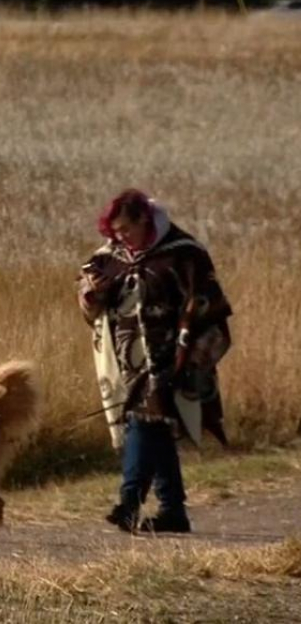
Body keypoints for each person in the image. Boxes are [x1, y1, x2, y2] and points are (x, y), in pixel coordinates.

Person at [76, 189, 232, 533]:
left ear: (144, 220)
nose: (120, 237)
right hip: (125, 362)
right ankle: (173, 511)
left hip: (172, 357)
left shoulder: (185, 254)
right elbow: (90, 302)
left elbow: (209, 306)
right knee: (153, 427)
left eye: (125, 230)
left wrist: (193, 360)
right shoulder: (108, 257)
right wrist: (92, 293)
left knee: (145, 420)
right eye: (114, 232)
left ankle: (128, 501)